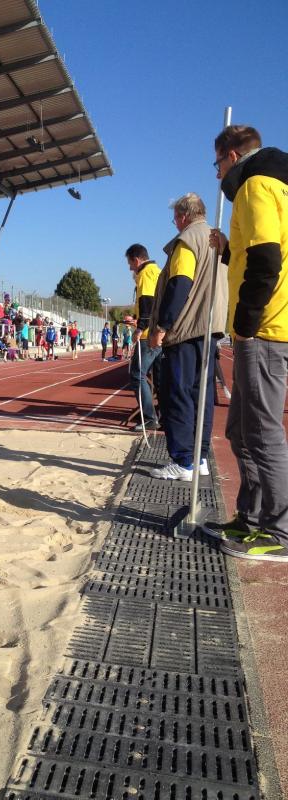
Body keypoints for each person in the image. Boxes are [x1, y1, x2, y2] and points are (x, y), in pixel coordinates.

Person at [204, 124, 288, 561]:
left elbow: (267, 260)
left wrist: (246, 323)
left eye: (217, 163)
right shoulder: (273, 187)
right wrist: (225, 251)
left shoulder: (257, 186)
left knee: (261, 430)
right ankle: (250, 518)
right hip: (262, 327)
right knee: (240, 430)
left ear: (232, 156)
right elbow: (260, 253)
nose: (217, 173)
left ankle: (280, 530)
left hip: (265, 330)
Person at [148, 193, 228, 481]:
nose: (175, 224)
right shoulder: (218, 239)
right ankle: (200, 456)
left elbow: (180, 283)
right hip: (210, 328)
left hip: (186, 329)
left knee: (178, 394)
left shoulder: (187, 241)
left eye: (175, 219)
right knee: (201, 395)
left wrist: (162, 327)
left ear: (182, 216)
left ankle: (183, 460)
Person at [125, 243, 162, 430]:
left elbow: (148, 303)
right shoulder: (157, 271)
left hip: (149, 335)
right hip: (159, 332)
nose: (130, 268)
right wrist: (138, 319)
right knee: (159, 378)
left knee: (137, 374)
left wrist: (140, 328)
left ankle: (149, 418)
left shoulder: (146, 274)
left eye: (130, 264)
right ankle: (162, 415)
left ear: (137, 260)